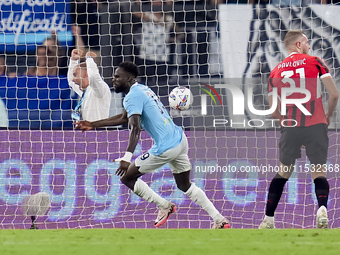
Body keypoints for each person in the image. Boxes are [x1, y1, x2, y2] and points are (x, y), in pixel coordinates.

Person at [74, 61, 230, 229]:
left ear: (129, 78)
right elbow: (124, 117)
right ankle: (219, 219)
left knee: (127, 177)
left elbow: (135, 128)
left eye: (117, 76)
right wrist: (92, 124)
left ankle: (164, 205)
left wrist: (127, 158)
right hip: (180, 139)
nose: (113, 79)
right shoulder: (141, 89)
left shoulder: (133, 96)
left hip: (166, 147)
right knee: (185, 185)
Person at [259, 30, 339, 229]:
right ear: (297, 45)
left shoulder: (276, 70)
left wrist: (284, 122)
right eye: (306, 42)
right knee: (319, 172)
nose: (309, 46)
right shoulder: (315, 62)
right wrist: (328, 115)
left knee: (283, 173)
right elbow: (334, 94)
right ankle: (322, 209)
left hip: (291, 126)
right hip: (316, 124)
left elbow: (272, 110)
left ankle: (268, 219)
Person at [67, 49, 111, 122]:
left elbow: (93, 77)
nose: (73, 79)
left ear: (86, 74)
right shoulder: (85, 92)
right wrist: (74, 60)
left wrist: (89, 59)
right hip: (85, 132)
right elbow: (71, 81)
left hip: (98, 132)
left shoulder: (99, 89)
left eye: (75, 75)